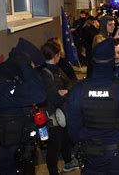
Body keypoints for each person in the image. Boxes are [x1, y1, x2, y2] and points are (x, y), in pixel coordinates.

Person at [66, 38, 119, 174]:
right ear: (112, 61)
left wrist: (85, 140)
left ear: (93, 61)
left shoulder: (79, 90)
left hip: (91, 156)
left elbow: (73, 126)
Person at [0, 38, 47, 174]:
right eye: (32, 67)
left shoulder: (15, 79)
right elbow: (38, 93)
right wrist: (24, 63)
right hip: (9, 157)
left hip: (24, 152)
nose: (32, 72)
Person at [39, 42, 79, 174]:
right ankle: (53, 171)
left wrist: (65, 90)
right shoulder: (47, 74)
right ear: (55, 56)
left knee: (64, 139)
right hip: (52, 116)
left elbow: (69, 82)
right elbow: (53, 98)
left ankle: (68, 162)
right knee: (54, 147)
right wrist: (65, 95)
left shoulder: (54, 69)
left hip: (59, 113)